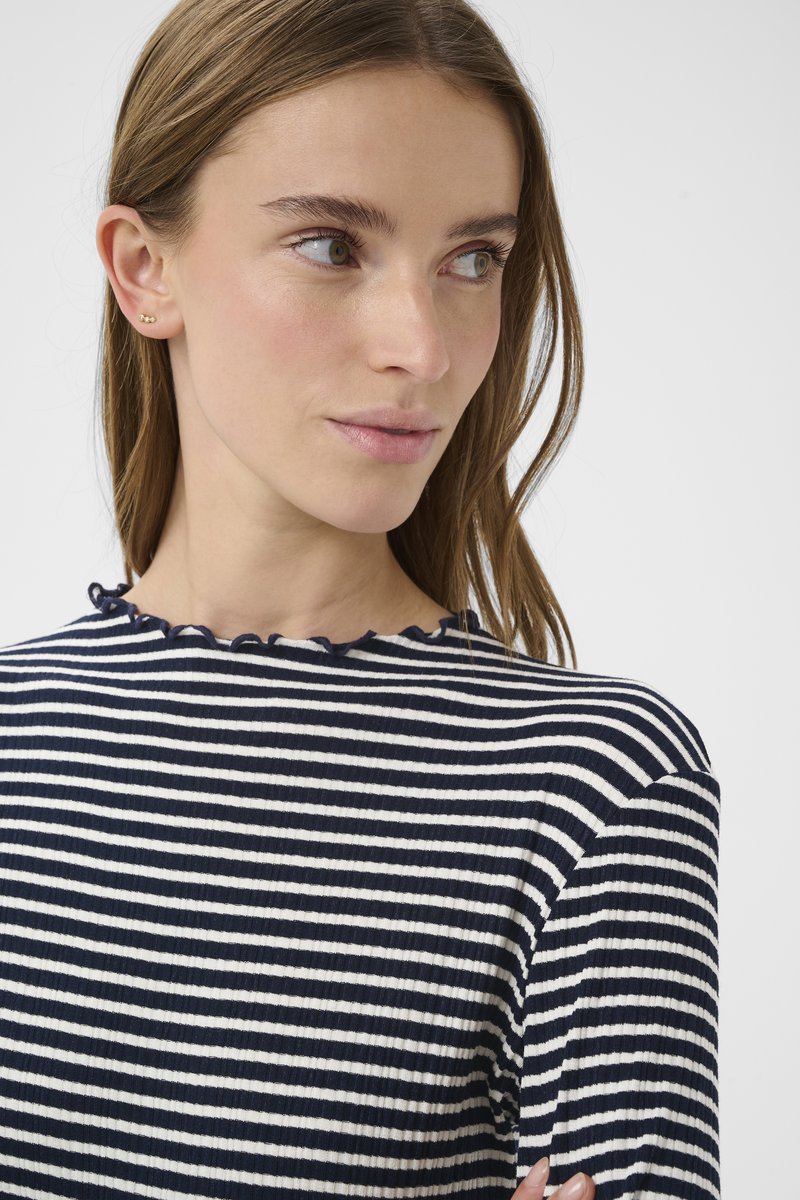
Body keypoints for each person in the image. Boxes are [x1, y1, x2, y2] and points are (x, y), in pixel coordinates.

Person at [0, 1, 720, 1197]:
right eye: (332, 246)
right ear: (144, 269)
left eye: (471, 261)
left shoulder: (587, 789)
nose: (422, 348)